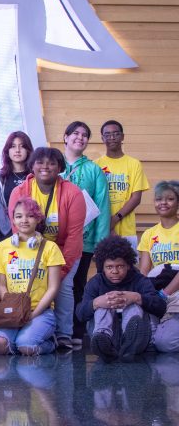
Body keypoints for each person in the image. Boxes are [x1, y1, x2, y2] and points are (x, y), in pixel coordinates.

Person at [9, 147, 85, 349]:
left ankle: (63, 334)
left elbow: (74, 235)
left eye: (51, 163)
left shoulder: (73, 193)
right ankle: (30, 329)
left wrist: (63, 269)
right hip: (31, 250)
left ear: (60, 167)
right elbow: (15, 226)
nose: (45, 167)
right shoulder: (20, 191)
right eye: (40, 162)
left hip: (62, 250)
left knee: (63, 286)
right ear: (32, 166)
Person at [0, 197, 63, 356]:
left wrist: (32, 314)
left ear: (38, 218)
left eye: (30, 215)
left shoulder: (50, 248)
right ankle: (21, 340)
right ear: (13, 219)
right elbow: (1, 285)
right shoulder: (1, 248)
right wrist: (14, 310)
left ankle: (50, 344)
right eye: (19, 216)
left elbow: (53, 287)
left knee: (26, 346)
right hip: (13, 310)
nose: (24, 220)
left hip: (40, 311)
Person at [76, 236, 166, 362]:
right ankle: (103, 342)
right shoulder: (96, 282)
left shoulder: (140, 280)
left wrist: (136, 297)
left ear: (129, 265)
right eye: (109, 267)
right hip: (109, 335)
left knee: (133, 306)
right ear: (102, 267)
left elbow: (161, 307)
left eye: (120, 266)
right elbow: (80, 314)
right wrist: (96, 303)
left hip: (141, 338)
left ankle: (131, 341)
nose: (115, 271)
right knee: (102, 306)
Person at [61, 121, 111, 344]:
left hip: (84, 240)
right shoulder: (52, 164)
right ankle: (54, 330)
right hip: (54, 241)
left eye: (84, 135)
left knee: (78, 285)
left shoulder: (93, 170)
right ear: (65, 137)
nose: (80, 138)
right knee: (52, 285)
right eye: (75, 133)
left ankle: (76, 331)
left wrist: (100, 244)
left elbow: (102, 206)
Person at [137, 181, 179, 353]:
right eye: (159, 199)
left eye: (170, 199)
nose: (163, 203)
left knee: (165, 345)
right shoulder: (149, 234)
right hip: (159, 290)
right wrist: (149, 296)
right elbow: (144, 271)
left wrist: (165, 293)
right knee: (151, 343)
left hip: (174, 291)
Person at [95, 120, 149, 252]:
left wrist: (115, 218)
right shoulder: (95, 165)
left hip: (126, 228)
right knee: (104, 268)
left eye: (116, 134)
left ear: (122, 136)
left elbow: (136, 198)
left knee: (128, 268)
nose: (112, 137)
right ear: (102, 138)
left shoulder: (134, 164)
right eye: (107, 135)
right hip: (102, 227)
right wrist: (107, 223)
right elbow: (93, 199)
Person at [0, 131, 34, 239]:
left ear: (28, 150)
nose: (17, 150)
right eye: (13, 146)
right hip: (9, 234)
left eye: (22, 146)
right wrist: (10, 232)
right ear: (7, 151)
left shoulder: (36, 176)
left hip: (35, 231)